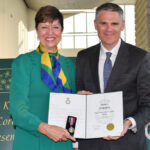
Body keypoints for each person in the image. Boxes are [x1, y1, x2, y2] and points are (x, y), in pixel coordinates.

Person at [76, 2, 150, 150]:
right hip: (91, 144)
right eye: (103, 23)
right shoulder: (83, 57)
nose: (109, 29)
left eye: (114, 23)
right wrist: (78, 98)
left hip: (129, 144)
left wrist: (129, 122)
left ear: (122, 25)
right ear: (95, 25)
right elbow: (77, 97)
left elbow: (148, 103)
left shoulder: (140, 57)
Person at [9, 5, 78, 150]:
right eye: (44, 27)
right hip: (31, 142)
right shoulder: (24, 63)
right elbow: (17, 110)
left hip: (62, 144)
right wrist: (46, 128)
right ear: (36, 30)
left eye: (55, 27)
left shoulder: (70, 66)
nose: (50, 33)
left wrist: (82, 98)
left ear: (62, 30)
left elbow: (73, 106)